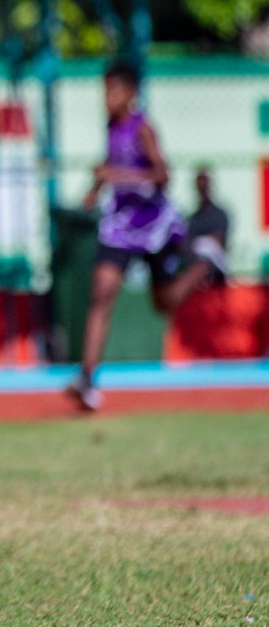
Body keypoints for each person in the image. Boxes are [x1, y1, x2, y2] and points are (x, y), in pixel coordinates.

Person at [69, 60, 216, 411]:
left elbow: (163, 175)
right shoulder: (110, 127)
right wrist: (95, 188)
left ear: (131, 94)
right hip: (120, 225)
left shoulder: (143, 128)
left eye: (114, 90)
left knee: (162, 304)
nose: (107, 98)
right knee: (100, 294)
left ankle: (201, 267)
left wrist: (116, 175)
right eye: (104, 90)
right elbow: (109, 165)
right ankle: (87, 378)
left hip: (153, 226)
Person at [186, 167, 230, 285]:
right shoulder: (193, 218)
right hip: (196, 269)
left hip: (216, 270)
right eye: (199, 182)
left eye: (204, 182)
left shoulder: (220, 215)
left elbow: (218, 242)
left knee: (206, 246)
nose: (202, 186)